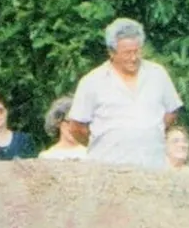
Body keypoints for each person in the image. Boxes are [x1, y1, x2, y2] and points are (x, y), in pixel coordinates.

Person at [68, 17, 182, 169]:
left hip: (152, 167)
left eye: (137, 51)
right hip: (108, 168)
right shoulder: (92, 81)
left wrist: (149, 131)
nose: (134, 58)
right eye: (127, 53)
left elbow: (172, 111)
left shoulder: (157, 74)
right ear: (111, 52)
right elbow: (76, 127)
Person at [39, 96, 87, 160]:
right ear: (58, 122)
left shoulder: (90, 154)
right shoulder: (47, 157)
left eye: (79, 123)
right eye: (69, 122)